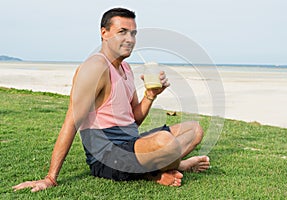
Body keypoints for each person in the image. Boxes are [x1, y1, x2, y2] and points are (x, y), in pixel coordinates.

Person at [13, 7, 210, 192]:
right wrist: (50, 178)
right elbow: (71, 123)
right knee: (166, 142)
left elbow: (134, 120)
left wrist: (150, 96)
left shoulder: (125, 69)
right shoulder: (95, 68)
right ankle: (165, 169)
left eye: (133, 33)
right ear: (104, 33)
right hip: (107, 156)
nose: (130, 39)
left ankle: (159, 167)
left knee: (193, 130)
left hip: (131, 143)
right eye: (122, 32)